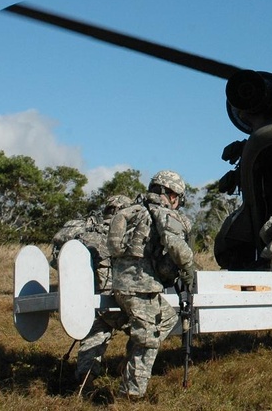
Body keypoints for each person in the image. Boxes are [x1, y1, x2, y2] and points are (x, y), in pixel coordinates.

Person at [107, 169, 196, 400]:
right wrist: (188, 270)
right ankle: (131, 396)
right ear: (171, 194)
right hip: (140, 287)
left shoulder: (133, 210)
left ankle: (127, 368)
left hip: (123, 284)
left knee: (167, 318)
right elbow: (176, 245)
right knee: (149, 342)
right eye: (178, 197)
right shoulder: (161, 213)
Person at [50, 194, 132, 381]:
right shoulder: (118, 234)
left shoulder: (85, 232)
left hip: (87, 300)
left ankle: (85, 379)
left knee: (94, 337)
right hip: (114, 301)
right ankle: (128, 370)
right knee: (144, 331)